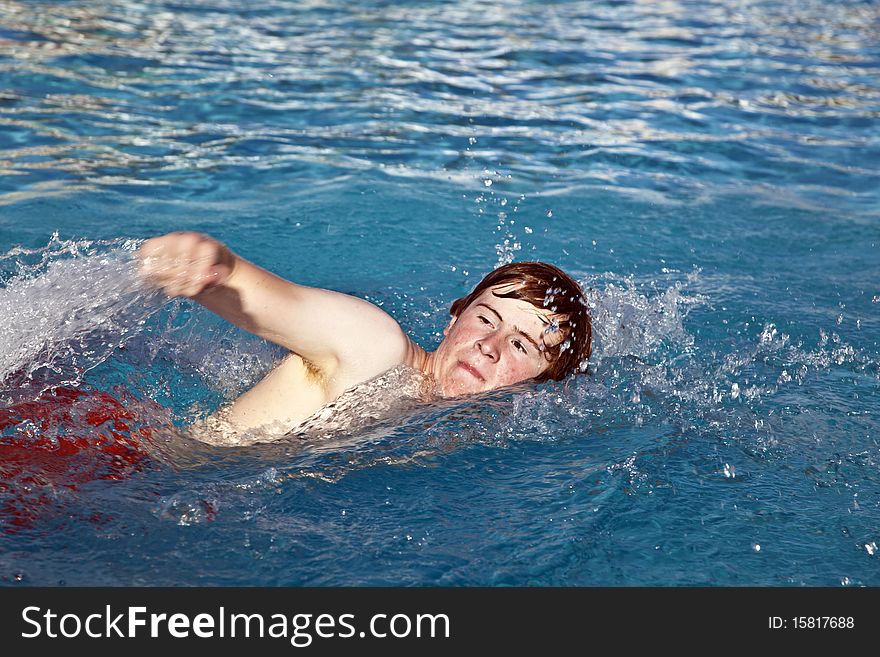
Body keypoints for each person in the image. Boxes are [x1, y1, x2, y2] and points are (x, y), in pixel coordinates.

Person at [137, 232, 592, 441]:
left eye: (519, 344)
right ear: (453, 320)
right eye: (487, 319)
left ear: (543, 381)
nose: (489, 347)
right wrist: (211, 263)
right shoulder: (377, 347)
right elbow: (276, 301)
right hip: (122, 469)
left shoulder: (459, 429)